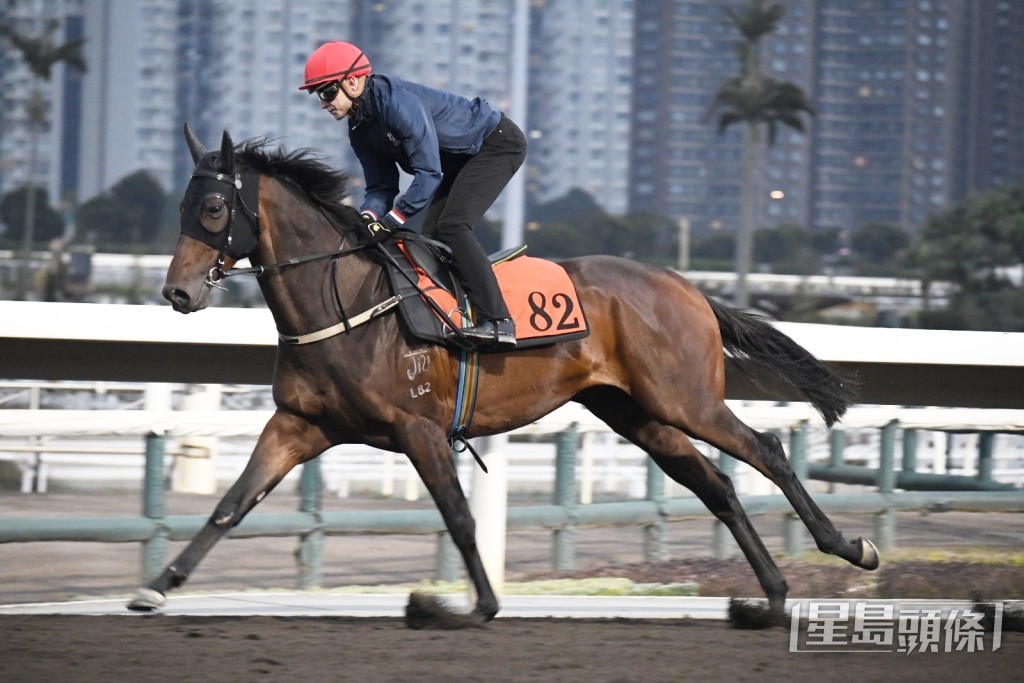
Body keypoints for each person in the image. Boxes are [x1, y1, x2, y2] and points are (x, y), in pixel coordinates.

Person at [299, 40, 526, 351]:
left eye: (326, 93)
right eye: (317, 96)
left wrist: (393, 220)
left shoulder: (397, 104)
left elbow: (428, 174)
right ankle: (461, 314)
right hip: (458, 161)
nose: (323, 103)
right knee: (432, 238)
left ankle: (500, 322)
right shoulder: (359, 127)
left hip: (495, 145)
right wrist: (368, 217)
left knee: (453, 227)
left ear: (352, 82)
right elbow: (380, 187)